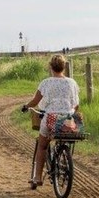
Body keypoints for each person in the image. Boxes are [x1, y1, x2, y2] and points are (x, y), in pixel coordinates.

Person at [20, 54, 80, 188]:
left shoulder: (46, 82)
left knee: (42, 146)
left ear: (51, 67)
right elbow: (76, 104)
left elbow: (35, 101)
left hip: (50, 119)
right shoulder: (72, 82)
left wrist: (26, 106)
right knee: (62, 139)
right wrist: (68, 113)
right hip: (67, 121)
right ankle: (63, 160)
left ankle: (37, 177)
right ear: (64, 67)